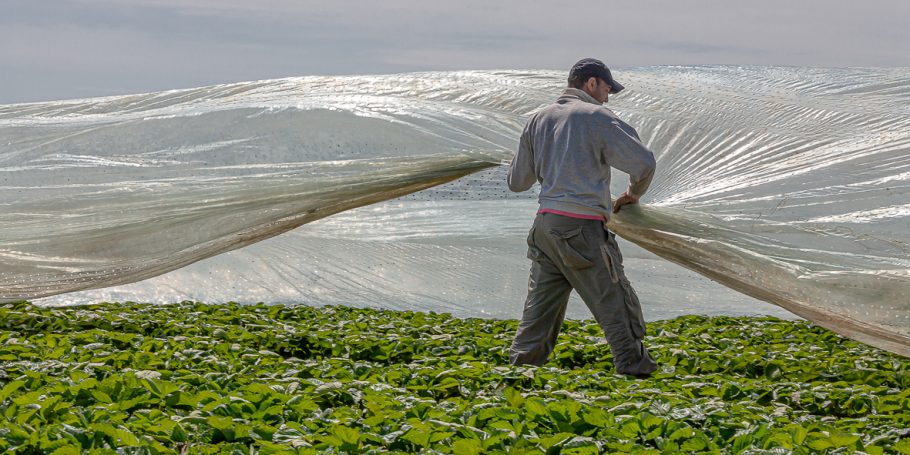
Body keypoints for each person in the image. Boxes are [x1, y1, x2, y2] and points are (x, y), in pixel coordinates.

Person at [507, 58, 658, 378]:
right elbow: (643, 163)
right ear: (591, 83)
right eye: (607, 88)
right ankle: (636, 373)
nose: (608, 96)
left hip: (545, 229)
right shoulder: (598, 117)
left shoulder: (537, 119)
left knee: (539, 313)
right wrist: (633, 194)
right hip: (583, 230)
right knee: (615, 304)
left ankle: (517, 376)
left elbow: (517, 182)